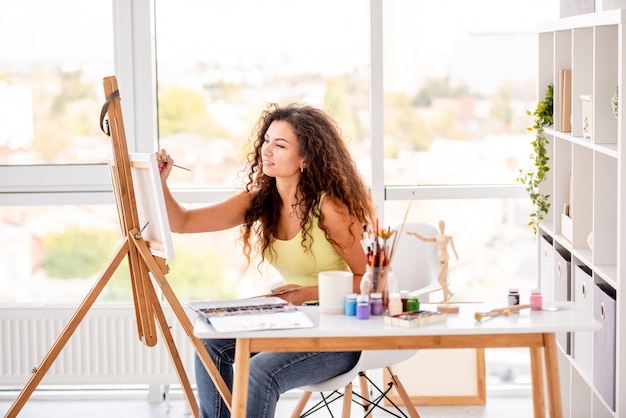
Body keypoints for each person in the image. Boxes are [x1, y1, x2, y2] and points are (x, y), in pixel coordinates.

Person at [158, 103, 376, 418]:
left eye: (280, 144)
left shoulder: (329, 208)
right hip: (294, 321)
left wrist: (304, 293)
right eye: (266, 140)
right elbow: (184, 222)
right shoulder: (260, 201)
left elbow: (370, 281)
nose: (266, 150)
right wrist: (161, 183)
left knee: (260, 371)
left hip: (340, 330)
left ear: (305, 158)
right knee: (209, 341)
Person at [407, 220, 458, 302]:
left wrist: (456, 255)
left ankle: (449, 293)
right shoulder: (437, 237)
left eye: (442, 225)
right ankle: (445, 299)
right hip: (440, 256)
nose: (441, 227)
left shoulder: (447, 237)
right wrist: (415, 234)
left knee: (439, 279)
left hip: (445, 257)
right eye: (440, 225)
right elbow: (425, 239)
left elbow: (453, 247)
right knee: (443, 279)